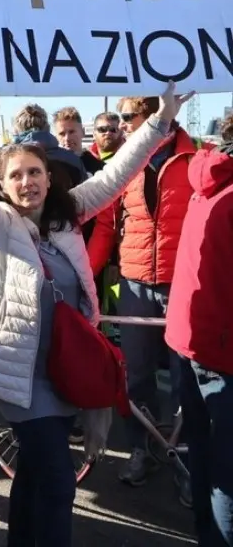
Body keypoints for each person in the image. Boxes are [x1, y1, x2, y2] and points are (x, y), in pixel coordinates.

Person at [0, 81, 190, 547]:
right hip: (22, 377)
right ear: (2, 186)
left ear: (49, 176)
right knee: (60, 481)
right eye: (16, 175)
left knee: (33, 477)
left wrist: (161, 121)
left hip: (68, 374)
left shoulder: (66, 217)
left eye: (35, 172)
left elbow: (116, 176)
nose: (28, 182)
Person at [88, 95, 205, 499]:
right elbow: (105, 226)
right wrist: (84, 276)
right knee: (135, 375)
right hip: (135, 283)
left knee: (185, 378)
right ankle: (142, 449)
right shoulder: (123, 165)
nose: (120, 126)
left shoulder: (198, 160)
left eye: (127, 117)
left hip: (185, 284)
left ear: (158, 114)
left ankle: (188, 459)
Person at [166, 114, 233, 547]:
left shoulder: (205, 181)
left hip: (187, 339)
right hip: (222, 350)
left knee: (205, 458)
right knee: (227, 473)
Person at [52, 107, 104, 178]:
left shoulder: (100, 168)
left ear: (83, 132)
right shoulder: (51, 167)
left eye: (71, 132)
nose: (67, 138)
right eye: (62, 134)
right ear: (56, 137)